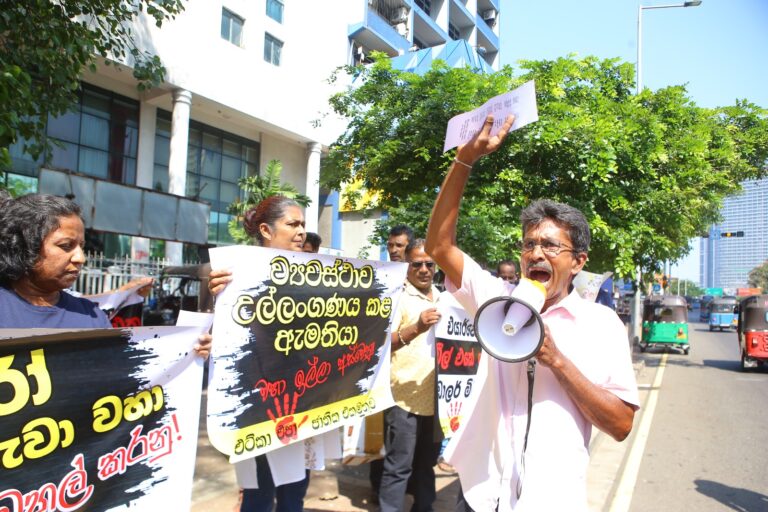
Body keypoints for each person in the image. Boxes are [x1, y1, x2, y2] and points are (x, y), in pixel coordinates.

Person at [425, 115, 639, 511]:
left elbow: (621, 425)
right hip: (481, 494)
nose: (536, 253)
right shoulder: (497, 297)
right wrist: (464, 161)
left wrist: (557, 361)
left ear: (578, 262)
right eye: (528, 245)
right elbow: (439, 247)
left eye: (550, 246)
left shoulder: (601, 325)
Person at [209, 195, 337, 512]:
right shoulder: (234, 276)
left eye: (303, 225)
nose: (301, 232)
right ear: (266, 230)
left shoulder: (318, 276)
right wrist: (218, 295)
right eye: (292, 224)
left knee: (295, 491)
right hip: (260, 404)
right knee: (259, 492)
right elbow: (218, 337)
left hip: (303, 399)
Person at [0, 193, 212, 356]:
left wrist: (188, 351)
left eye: (81, 247)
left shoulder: (92, 316)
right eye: (66, 245)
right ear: (24, 245)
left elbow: (122, 372)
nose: (80, 258)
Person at [379, 239, 442, 512]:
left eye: (429, 264)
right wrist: (416, 327)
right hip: (403, 397)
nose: (424, 270)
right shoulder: (397, 297)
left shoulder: (444, 298)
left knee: (427, 465)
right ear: (406, 266)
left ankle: (424, 507)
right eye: (417, 264)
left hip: (437, 399)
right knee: (398, 466)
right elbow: (381, 344)